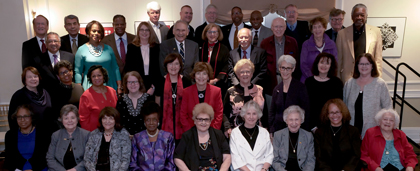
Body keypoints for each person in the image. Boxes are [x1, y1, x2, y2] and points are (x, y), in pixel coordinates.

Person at [343, 53, 392, 138]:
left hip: (373, 129)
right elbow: (344, 106)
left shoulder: (380, 84)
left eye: (367, 64)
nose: (364, 66)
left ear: (372, 66)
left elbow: (388, 108)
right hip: (352, 128)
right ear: (357, 66)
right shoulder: (349, 84)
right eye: (361, 64)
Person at [175, 103, 231, 171]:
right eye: (200, 119)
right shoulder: (187, 136)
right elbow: (177, 158)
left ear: (210, 121)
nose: (203, 122)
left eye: (206, 119)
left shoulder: (218, 134)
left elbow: (227, 156)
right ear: (195, 120)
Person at [336, 3, 383, 83]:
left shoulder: (376, 32)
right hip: (348, 78)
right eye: (356, 15)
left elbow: (378, 58)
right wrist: (338, 79)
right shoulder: (342, 34)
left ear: (366, 16)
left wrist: (378, 78)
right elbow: (339, 59)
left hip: (369, 77)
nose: (359, 18)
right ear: (352, 17)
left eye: (362, 15)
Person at [260, 17, 299, 110]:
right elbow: (262, 65)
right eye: (276, 27)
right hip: (271, 82)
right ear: (272, 28)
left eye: (281, 26)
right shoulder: (265, 43)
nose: (278, 29)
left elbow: (297, 63)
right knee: (272, 110)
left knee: (289, 109)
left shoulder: (293, 42)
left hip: (289, 80)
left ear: (285, 28)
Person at [74, 20, 122, 92]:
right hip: (90, 86)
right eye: (93, 31)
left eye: (99, 31)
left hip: (109, 85)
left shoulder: (108, 49)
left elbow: (115, 68)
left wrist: (119, 86)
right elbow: (77, 71)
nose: (96, 33)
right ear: (88, 32)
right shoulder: (81, 50)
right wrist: (79, 88)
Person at [315, 98, 362, 171]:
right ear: (327, 115)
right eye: (331, 112)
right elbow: (319, 158)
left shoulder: (353, 131)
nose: (335, 115)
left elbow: (356, 156)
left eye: (337, 112)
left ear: (343, 113)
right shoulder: (319, 133)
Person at [269, 55, 310, 133]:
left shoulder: (301, 88)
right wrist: (271, 130)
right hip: (278, 131)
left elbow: (306, 112)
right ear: (279, 68)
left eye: (288, 68)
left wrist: (305, 132)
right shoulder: (276, 89)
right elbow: (272, 113)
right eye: (283, 68)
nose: (285, 71)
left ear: (293, 69)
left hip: (296, 130)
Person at [130, 102, 176, 170]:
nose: (151, 123)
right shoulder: (137, 138)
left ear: (158, 121)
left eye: (154, 120)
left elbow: (171, 163)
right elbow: (133, 163)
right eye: (148, 120)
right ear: (144, 121)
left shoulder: (168, 137)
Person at [180, 62, 223, 133]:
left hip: (211, 130)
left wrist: (213, 132)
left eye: (204, 74)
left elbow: (219, 114)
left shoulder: (216, 91)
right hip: (191, 132)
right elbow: (183, 115)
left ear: (208, 76)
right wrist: (190, 132)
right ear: (194, 76)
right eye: (198, 73)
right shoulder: (186, 92)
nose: (201, 77)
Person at [4, 104, 50, 171]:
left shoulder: (42, 134)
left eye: (26, 116)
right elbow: (8, 160)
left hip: (40, 169)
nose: (22, 120)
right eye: (19, 117)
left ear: (32, 117)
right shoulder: (10, 135)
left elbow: (46, 158)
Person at [230, 100, 273, 171]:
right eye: (248, 113)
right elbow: (235, 157)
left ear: (258, 115)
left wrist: (264, 169)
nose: (251, 117)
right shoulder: (235, 133)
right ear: (244, 115)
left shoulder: (264, 132)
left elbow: (269, 155)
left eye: (254, 114)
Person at [305, 53, 343, 131]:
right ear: (317, 64)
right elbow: (306, 106)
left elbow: (339, 106)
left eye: (327, 63)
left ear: (331, 66)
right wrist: (313, 126)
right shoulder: (309, 82)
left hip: (331, 125)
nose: (324, 66)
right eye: (321, 62)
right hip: (312, 125)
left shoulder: (337, 83)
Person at [224, 59, 265, 130]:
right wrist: (227, 128)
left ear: (252, 74)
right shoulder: (230, 91)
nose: (245, 74)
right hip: (235, 131)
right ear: (237, 74)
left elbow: (265, 114)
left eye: (248, 72)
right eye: (242, 72)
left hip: (257, 131)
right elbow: (224, 113)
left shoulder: (260, 89)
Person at [35, 32, 75, 106]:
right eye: (50, 41)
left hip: (69, 97)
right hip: (49, 99)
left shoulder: (70, 56)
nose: (53, 43)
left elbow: (74, 74)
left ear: (59, 43)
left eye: (55, 41)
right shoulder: (38, 59)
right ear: (46, 45)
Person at [46, 104, 90, 170]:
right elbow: (50, 158)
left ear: (77, 119)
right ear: (62, 120)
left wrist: (75, 169)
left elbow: (89, 158)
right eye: (66, 118)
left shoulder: (86, 135)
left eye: (72, 118)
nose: (70, 121)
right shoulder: (55, 135)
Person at [272, 105, 315, 171]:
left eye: (296, 119)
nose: (294, 123)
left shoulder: (308, 136)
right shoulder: (278, 135)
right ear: (286, 121)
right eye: (291, 120)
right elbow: (275, 160)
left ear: (301, 120)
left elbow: (311, 161)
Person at [160, 53, 192, 140]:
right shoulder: (160, 81)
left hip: (183, 123)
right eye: (170, 63)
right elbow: (157, 103)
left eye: (176, 64)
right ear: (166, 66)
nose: (173, 67)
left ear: (180, 66)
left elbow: (190, 104)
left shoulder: (186, 81)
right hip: (165, 122)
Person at [123, 22, 161, 93]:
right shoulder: (132, 48)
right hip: (136, 85)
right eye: (142, 30)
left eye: (147, 30)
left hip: (153, 85)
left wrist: (154, 87)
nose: (144, 32)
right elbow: (129, 68)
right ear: (138, 32)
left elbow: (158, 70)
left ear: (150, 32)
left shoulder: (156, 47)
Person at [79, 65, 118, 132]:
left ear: (104, 76)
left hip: (113, 131)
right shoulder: (86, 96)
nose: (96, 78)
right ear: (90, 78)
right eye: (93, 76)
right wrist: (89, 136)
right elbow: (83, 119)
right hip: (94, 133)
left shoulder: (112, 91)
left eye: (99, 75)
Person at [300, 17, 338, 83]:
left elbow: (334, 63)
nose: (317, 30)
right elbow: (303, 65)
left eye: (319, 27)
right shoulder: (306, 44)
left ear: (324, 28)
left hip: (327, 80)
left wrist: (326, 78)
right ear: (311, 30)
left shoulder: (331, 44)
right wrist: (313, 79)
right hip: (308, 80)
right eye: (314, 27)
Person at [199, 23, 229, 93]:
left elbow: (226, 66)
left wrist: (215, 80)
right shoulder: (201, 47)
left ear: (218, 34)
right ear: (205, 34)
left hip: (219, 84)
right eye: (209, 32)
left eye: (215, 32)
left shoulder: (224, 48)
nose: (212, 34)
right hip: (201, 83)